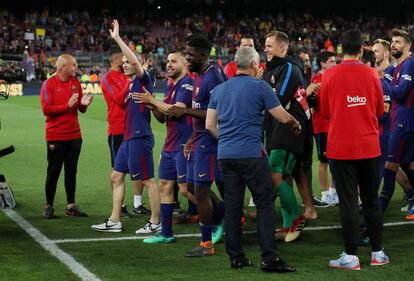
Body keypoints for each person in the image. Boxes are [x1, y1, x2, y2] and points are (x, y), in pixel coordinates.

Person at [206, 46, 299, 272]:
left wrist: (227, 141)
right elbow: (280, 115)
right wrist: (294, 123)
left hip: (226, 155)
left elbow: (209, 125)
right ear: (255, 65)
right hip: (251, 154)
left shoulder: (219, 90)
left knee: (233, 206)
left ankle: (236, 257)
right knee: (265, 203)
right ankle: (268, 257)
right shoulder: (260, 86)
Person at [319, 29, 388, 270]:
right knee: (371, 199)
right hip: (369, 144)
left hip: (341, 146)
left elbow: (325, 112)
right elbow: (380, 111)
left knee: (348, 201)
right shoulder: (372, 74)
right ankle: (378, 253)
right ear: (361, 50)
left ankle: (351, 256)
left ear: (340, 50)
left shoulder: (330, 74)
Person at [91, 20, 160, 233]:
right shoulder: (130, 84)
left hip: (140, 136)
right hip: (129, 137)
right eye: (123, 63)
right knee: (116, 176)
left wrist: (118, 39)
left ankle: (156, 223)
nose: (125, 64)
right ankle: (114, 220)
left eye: (128, 62)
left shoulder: (142, 80)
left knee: (148, 180)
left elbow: (136, 63)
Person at [167, 34, 225, 257]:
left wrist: (185, 110)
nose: (187, 58)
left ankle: (206, 244)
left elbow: (216, 113)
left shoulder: (214, 77)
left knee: (201, 190)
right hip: (199, 139)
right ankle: (226, 214)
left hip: (210, 141)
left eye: (190, 55)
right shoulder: (200, 75)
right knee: (191, 188)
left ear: (203, 55)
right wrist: (191, 137)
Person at [136, 50, 196, 243]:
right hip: (170, 145)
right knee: (165, 185)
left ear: (185, 64)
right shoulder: (172, 87)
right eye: (167, 61)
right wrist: (152, 106)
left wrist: (153, 101)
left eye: (173, 61)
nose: (168, 64)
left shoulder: (187, 84)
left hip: (184, 143)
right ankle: (166, 233)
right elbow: (163, 117)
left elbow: (177, 111)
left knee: (186, 189)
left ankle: (220, 216)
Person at [262, 31, 307, 242]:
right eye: (265, 45)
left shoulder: (290, 67)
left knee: (274, 175)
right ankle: (288, 225)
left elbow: (276, 98)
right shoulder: (270, 70)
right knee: (284, 177)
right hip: (274, 128)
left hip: (289, 128)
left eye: (269, 46)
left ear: (282, 48)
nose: (265, 49)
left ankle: (298, 217)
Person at [40, 54, 93, 219]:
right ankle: (49, 205)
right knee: (53, 171)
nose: (76, 67)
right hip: (56, 135)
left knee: (71, 171)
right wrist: (66, 105)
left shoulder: (76, 83)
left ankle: (71, 206)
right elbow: (46, 110)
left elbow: (79, 109)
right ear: (63, 67)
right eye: (73, 65)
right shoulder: (49, 84)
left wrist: (83, 105)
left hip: (74, 135)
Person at [100, 45, 150, 217]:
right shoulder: (108, 78)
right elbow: (119, 99)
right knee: (117, 171)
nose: (125, 61)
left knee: (139, 170)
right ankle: (119, 208)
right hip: (117, 129)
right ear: (116, 60)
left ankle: (137, 203)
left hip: (134, 128)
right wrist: (129, 83)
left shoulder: (129, 75)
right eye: (123, 58)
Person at [374, 31, 414, 219]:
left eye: (398, 42)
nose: (394, 44)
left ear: (408, 46)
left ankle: (376, 215)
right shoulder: (396, 67)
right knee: (409, 165)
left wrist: (386, 80)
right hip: (400, 123)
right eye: (392, 42)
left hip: (403, 124)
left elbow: (401, 92)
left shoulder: (409, 64)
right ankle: (412, 199)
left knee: (390, 166)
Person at [309, 51, 338, 205]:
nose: (334, 64)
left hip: (336, 124)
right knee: (323, 160)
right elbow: (312, 101)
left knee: (336, 158)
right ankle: (325, 193)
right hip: (321, 125)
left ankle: (333, 191)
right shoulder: (316, 80)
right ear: (323, 64)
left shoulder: (335, 77)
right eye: (332, 61)